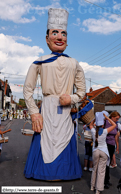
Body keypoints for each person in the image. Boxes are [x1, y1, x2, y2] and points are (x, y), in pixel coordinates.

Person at [23, 8, 86, 181]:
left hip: (64, 112)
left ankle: (65, 172)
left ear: (67, 40)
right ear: (47, 39)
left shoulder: (74, 64)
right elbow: (28, 89)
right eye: (55, 33)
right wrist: (34, 113)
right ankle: (43, 172)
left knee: (65, 139)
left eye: (63, 34)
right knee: (45, 139)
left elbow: (81, 91)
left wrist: (71, 98)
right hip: (47, 110)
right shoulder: (39, 62)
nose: (59, 37)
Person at [89, 112, 116, 194]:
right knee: (101, 171)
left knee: (94, 169)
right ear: (103, 124)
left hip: (95, 151)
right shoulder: (105, 131)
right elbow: (114, 125)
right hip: (103, 151)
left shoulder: (93, 131)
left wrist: (95, 119)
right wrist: (107, 118)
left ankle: (92, 186)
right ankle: (98, 189)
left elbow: (90, 124)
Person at [104, 111, 120, 189]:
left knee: (109, 163)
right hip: (106, 144)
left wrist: (117, 146)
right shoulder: (106, 122)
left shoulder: (116, 124)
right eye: (116, 118)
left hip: (112, 145)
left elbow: (116, 136)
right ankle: (104, 181)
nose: (117, 120)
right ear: (112, 117)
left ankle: (107, 180)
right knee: (105, 163)